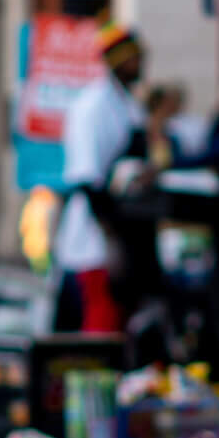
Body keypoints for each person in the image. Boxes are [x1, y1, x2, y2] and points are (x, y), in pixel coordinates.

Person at [54, 23, 151, 336]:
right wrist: (111, 240)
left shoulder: (127, 104)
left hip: (127, 229)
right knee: (101, 322)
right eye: (135, 58)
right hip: (97, 236)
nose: (142, 65)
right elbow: (87, 178)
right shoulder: (92, 106)